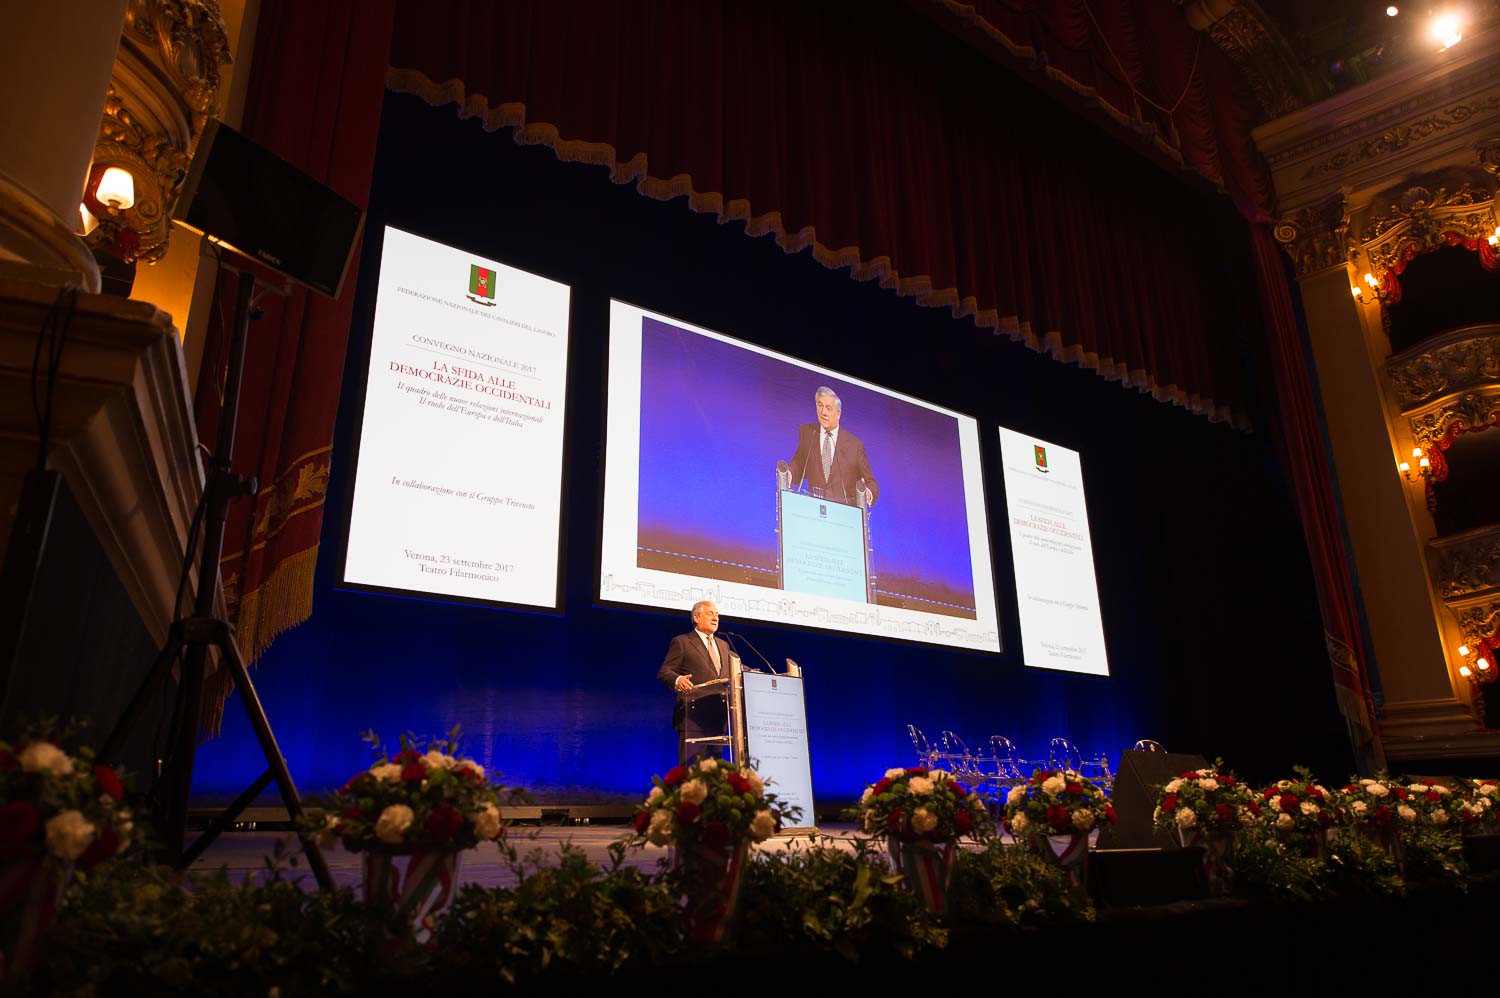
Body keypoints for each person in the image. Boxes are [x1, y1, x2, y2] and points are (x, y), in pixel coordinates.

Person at [656, 600, 734, 764]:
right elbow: (665, 672)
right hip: (693, 719)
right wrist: (678, 679)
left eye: (717, 615)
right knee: (692, 775)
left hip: (718, 719)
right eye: (710, 613)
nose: (716, 618)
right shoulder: (682, 642)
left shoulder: (724, 645)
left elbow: (734, 669)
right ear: (697, 617)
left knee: (714, 775)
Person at [784, 386, 879, 506]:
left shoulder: (855, 446)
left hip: (843, 516)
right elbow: (799, 464)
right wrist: (789, 474)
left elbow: (871, 483)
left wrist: (868, 493)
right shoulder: (808, 433)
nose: (823, 412)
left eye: (828, 408)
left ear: (838, 414)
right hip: (814, 511)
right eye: (820, 405)